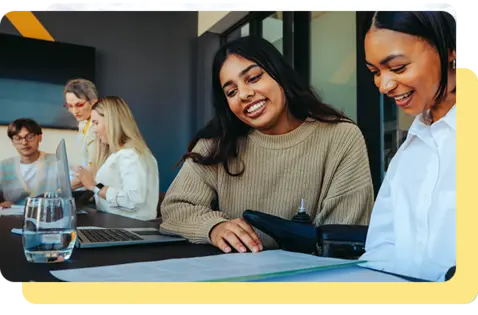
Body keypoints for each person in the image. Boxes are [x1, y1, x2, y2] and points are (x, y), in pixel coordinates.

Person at [159, 36, 374, 254]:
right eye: (231, 92)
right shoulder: (216, 145)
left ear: (279, 73)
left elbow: (343, 238)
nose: (244, 94)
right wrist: (214, 227)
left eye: (253, 78)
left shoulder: (341, 137)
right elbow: (175, 208)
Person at [359, 11, 456, 282]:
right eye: (375, 72)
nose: (384, 85)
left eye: (399, 67)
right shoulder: (408, 152)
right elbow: (380, 249)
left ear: (450, 50)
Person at [72, 96, 159, 221]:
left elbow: (133, 199)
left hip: (130, 228)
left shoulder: (130, 155)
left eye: (96, 123)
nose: (94, 130)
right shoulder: (121, 154)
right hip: (118, 224)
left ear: (111, 122)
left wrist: (93, 185)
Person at [0, 119, 58, 208]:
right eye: (17, 138)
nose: (24, 142)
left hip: (47, 217)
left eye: (30, 137)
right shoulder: (4, 167)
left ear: (40, 137)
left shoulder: (56, 161)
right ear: (12, 141)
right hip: (12, 218)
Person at [63, 78, 98, 189]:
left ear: (94, 102)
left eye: (79, 105)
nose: (74, 112)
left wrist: (59, 191)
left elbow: (92, 172)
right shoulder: (83, 124)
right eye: (70, 106)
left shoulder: (98, 129)